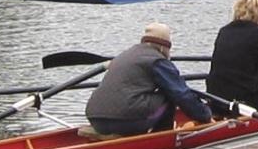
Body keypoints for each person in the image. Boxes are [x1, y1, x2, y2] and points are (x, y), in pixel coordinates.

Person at [83, 23, 212, 136]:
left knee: (155, 96)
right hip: (123, 122)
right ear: (164, 46)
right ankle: (162, 139)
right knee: (169, 95)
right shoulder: (157, 60)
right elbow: (181, 94)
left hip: (95, 118)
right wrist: (205, 115)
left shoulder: (126, 54)